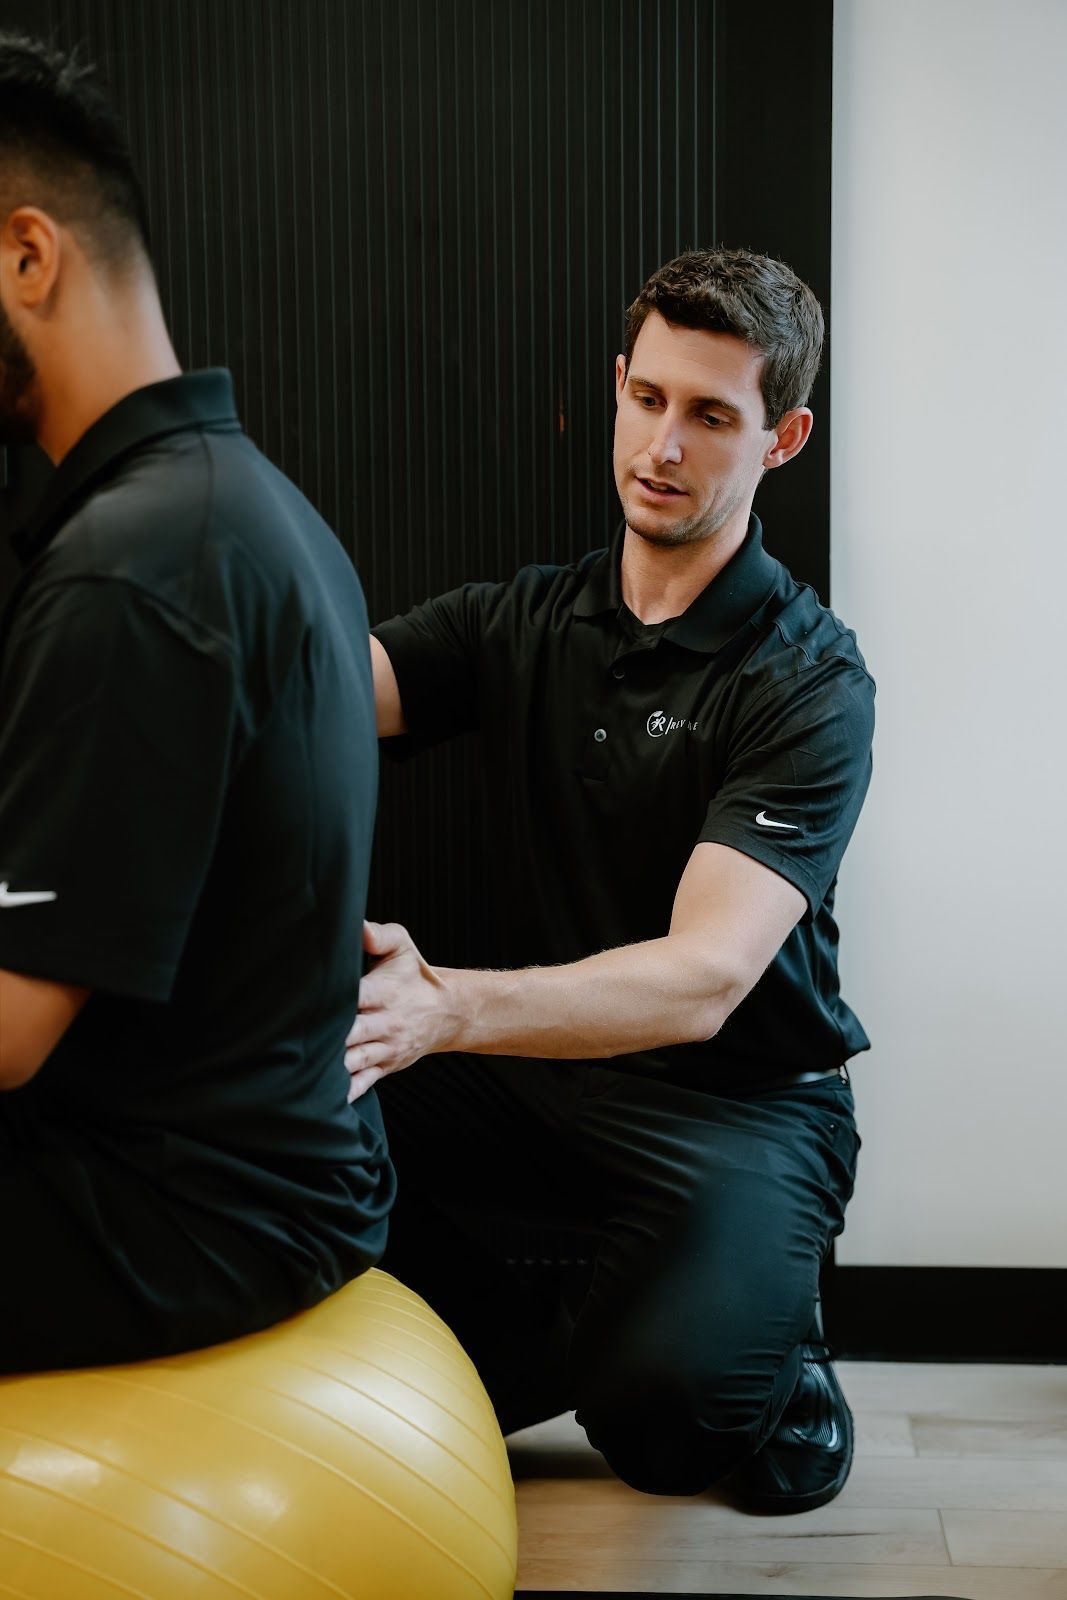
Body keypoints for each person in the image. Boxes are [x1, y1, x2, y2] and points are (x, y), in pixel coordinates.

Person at [354, 247, 874, 1512]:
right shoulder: (521, 618)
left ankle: (760, 1354)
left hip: (735, 1103)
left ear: (782, 438)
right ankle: (557, 1322)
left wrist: (448, 1007)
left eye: (709, 415)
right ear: (617, 387)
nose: (662, 445)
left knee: (669, 1425)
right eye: (647, 398)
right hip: (546, 1083)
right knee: (304, 1067)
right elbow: (313, 693)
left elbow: (702, 979)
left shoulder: (806, 677)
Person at [0, 33, 394, 1373]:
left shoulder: (137, 565)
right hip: (264, 1166)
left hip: (191, 1208)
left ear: (26, 256)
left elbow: (6, 1033)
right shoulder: (244, 507)